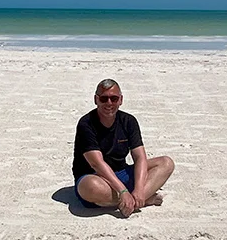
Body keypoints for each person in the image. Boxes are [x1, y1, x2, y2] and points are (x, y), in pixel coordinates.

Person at [72, 79, 174, 217]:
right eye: (104, 98)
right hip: (96, 176)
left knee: (166, 163)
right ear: (96, 100)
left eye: (114, 99)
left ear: (121, 100)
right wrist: (123, 191)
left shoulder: (129, 121)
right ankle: (142, 199)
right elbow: (96, 164)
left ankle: (135, 198)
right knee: (90, 187)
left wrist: (138, 189)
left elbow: (140, 158)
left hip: (121, 173)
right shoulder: (86, 124)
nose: (109, 103)